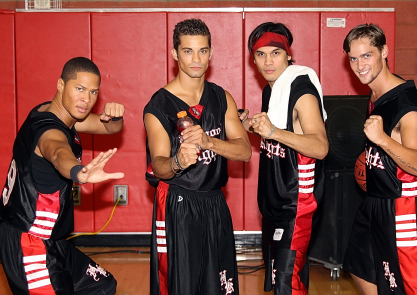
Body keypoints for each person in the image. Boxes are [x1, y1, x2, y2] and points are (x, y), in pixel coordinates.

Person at [143, 18, 251, 295]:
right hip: (177, 205)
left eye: (202, 51)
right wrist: (178, 161)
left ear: (211, 53)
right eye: (188, 51)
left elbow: (244, 150)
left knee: (221, 287)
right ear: (175, 54)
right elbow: (158, 166)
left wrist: (208, 141)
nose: (196, 59)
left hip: (215, 202)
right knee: (182, 287)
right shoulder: (158, 106)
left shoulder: (221, 97)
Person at [0, 57, 125, 294]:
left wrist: (116, 117)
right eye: (79, 89)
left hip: (54, 242)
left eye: (93, 92)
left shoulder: (58, 114)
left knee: (102, 286)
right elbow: (58, 153)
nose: (86, 100)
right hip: (30, 242)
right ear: (60, 85)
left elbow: (109, 127)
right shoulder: (50, 132)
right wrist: (80, 172)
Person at [342, 23, 417, 295]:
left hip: (403, 203)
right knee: (358, 263)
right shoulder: (376, 93)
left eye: (367, 55)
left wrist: (382, 139)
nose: (359, 65)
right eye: (353, 58)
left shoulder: (406, 105)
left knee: (414, 284)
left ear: (383, 51)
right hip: (377, 200)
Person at [243, 22, 328, 294]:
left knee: (287, 285)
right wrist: (254, 127)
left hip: (297, 206)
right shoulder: (273, 89)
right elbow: (280, 140)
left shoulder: (301, 90)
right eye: (260, 54)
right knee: (283, 283)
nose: (268, 62)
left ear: (288, 54)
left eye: (275, 53)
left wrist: (273, 131)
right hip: (274, 205)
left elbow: (319, 146)